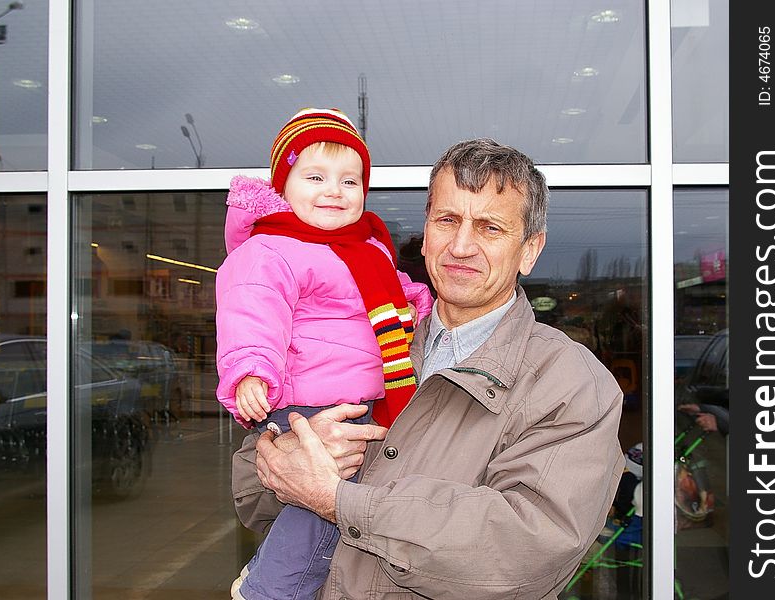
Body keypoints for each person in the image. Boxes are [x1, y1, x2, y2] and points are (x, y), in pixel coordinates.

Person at [231, 137, 625, 599]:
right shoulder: (361, 339)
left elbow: (523, 549)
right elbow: (248, 497)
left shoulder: (572, 384)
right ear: (426, 230)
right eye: (447, 220)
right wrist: (299, 445)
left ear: (530, 250)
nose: (461, 246)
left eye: (490, 228)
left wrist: (337, 500)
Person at [215, 107, 433, 600]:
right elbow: (251, 308)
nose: (334, 190)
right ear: (283, 187)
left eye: (349, 180)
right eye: (315, 177)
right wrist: (251, 370)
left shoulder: (364, 246)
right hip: (307, 400)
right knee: (323, 504)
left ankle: (276, 580)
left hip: (354, 399)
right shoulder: (271, 249)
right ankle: (269, 589)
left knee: (331, 507)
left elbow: (383, 294)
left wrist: (417, 303)